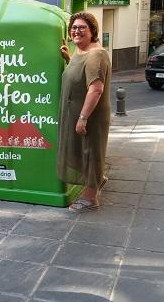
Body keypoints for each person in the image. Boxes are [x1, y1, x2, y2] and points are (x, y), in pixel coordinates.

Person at [58, 12, 111, 213]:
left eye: (82, 28)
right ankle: (97, 179)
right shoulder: (83, 52)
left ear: (92, 31)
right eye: (73, 27)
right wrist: (69, 58)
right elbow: (81, 74)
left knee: (89, 151)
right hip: (80, 113)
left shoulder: (96, 54)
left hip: (90, 116)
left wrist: (83, 118)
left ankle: (91, 197)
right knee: (84, 151)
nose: (76, 31)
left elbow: (95, 88)